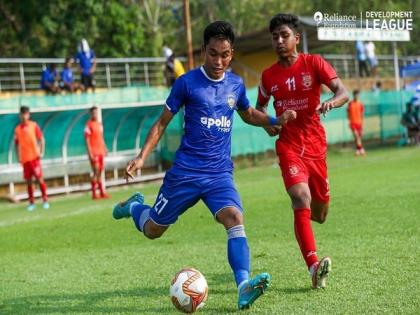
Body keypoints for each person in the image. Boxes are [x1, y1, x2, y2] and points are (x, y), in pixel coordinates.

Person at [113, 21, 296, 310]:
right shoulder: (186, 83)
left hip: (218, 173)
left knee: (235, 219)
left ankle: (243, 286)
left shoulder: (235, 83)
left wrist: (273, 121)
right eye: (213, 54)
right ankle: (134, 206)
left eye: (224, 54)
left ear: (232, 53)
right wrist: (141, 156)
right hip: (185, 172)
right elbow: (162, 123)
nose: (219, 61)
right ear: (203, 52)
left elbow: (247, 113)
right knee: (152, 230)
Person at [256, 14, 349, 289]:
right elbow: (259, 109)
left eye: (284, 35)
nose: (280, 41)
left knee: (319, 214)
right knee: (300, 196)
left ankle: (307, 232)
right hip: (289, 147)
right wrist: (270, 125)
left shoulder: (314, 63)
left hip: (316, 148)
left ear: (296, 38)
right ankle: (313, 267)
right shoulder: (268, 76)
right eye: (275, 37)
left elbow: (343, 91)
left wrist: (332, 102)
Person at [14, 106, 49, 211]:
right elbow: (16, 145)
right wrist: (18, 157)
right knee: (29, 181)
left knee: (39, 178)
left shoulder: (34, 125)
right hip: (25, 159)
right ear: (20, 115)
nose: (24, 116)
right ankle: (31, 202)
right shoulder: (17, 129)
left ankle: (45, 200)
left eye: (26, 114)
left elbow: (41, 139)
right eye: (22, 114)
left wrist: (41, 152)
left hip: (34, 158)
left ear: (28, 115)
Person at [84, 106, 109, 199]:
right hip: (94, 152)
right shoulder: (88, 125)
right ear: (90, 114)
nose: (95, 114)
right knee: (96, 171)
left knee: (100, 172)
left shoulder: (99, 124)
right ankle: (94, 194)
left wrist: (105, 148)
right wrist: (90, 152)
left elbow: (101, 137)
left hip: (100, 151)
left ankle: (102, 192)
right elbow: (87, 139)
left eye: (96, 112)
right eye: (93, 113)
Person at [347, 90, 366, 155]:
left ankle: (358, 150)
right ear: (353, 95)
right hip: (353, 123)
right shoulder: (350, 104)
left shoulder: (361, 104)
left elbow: (362, 115)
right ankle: (361, 149)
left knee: (358, 138)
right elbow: (348, 113)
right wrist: (349, 122)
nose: (356, 96)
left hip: (359, 123)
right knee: (356, 136)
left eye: (358, 95)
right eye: (355, 95)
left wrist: (363, 124)